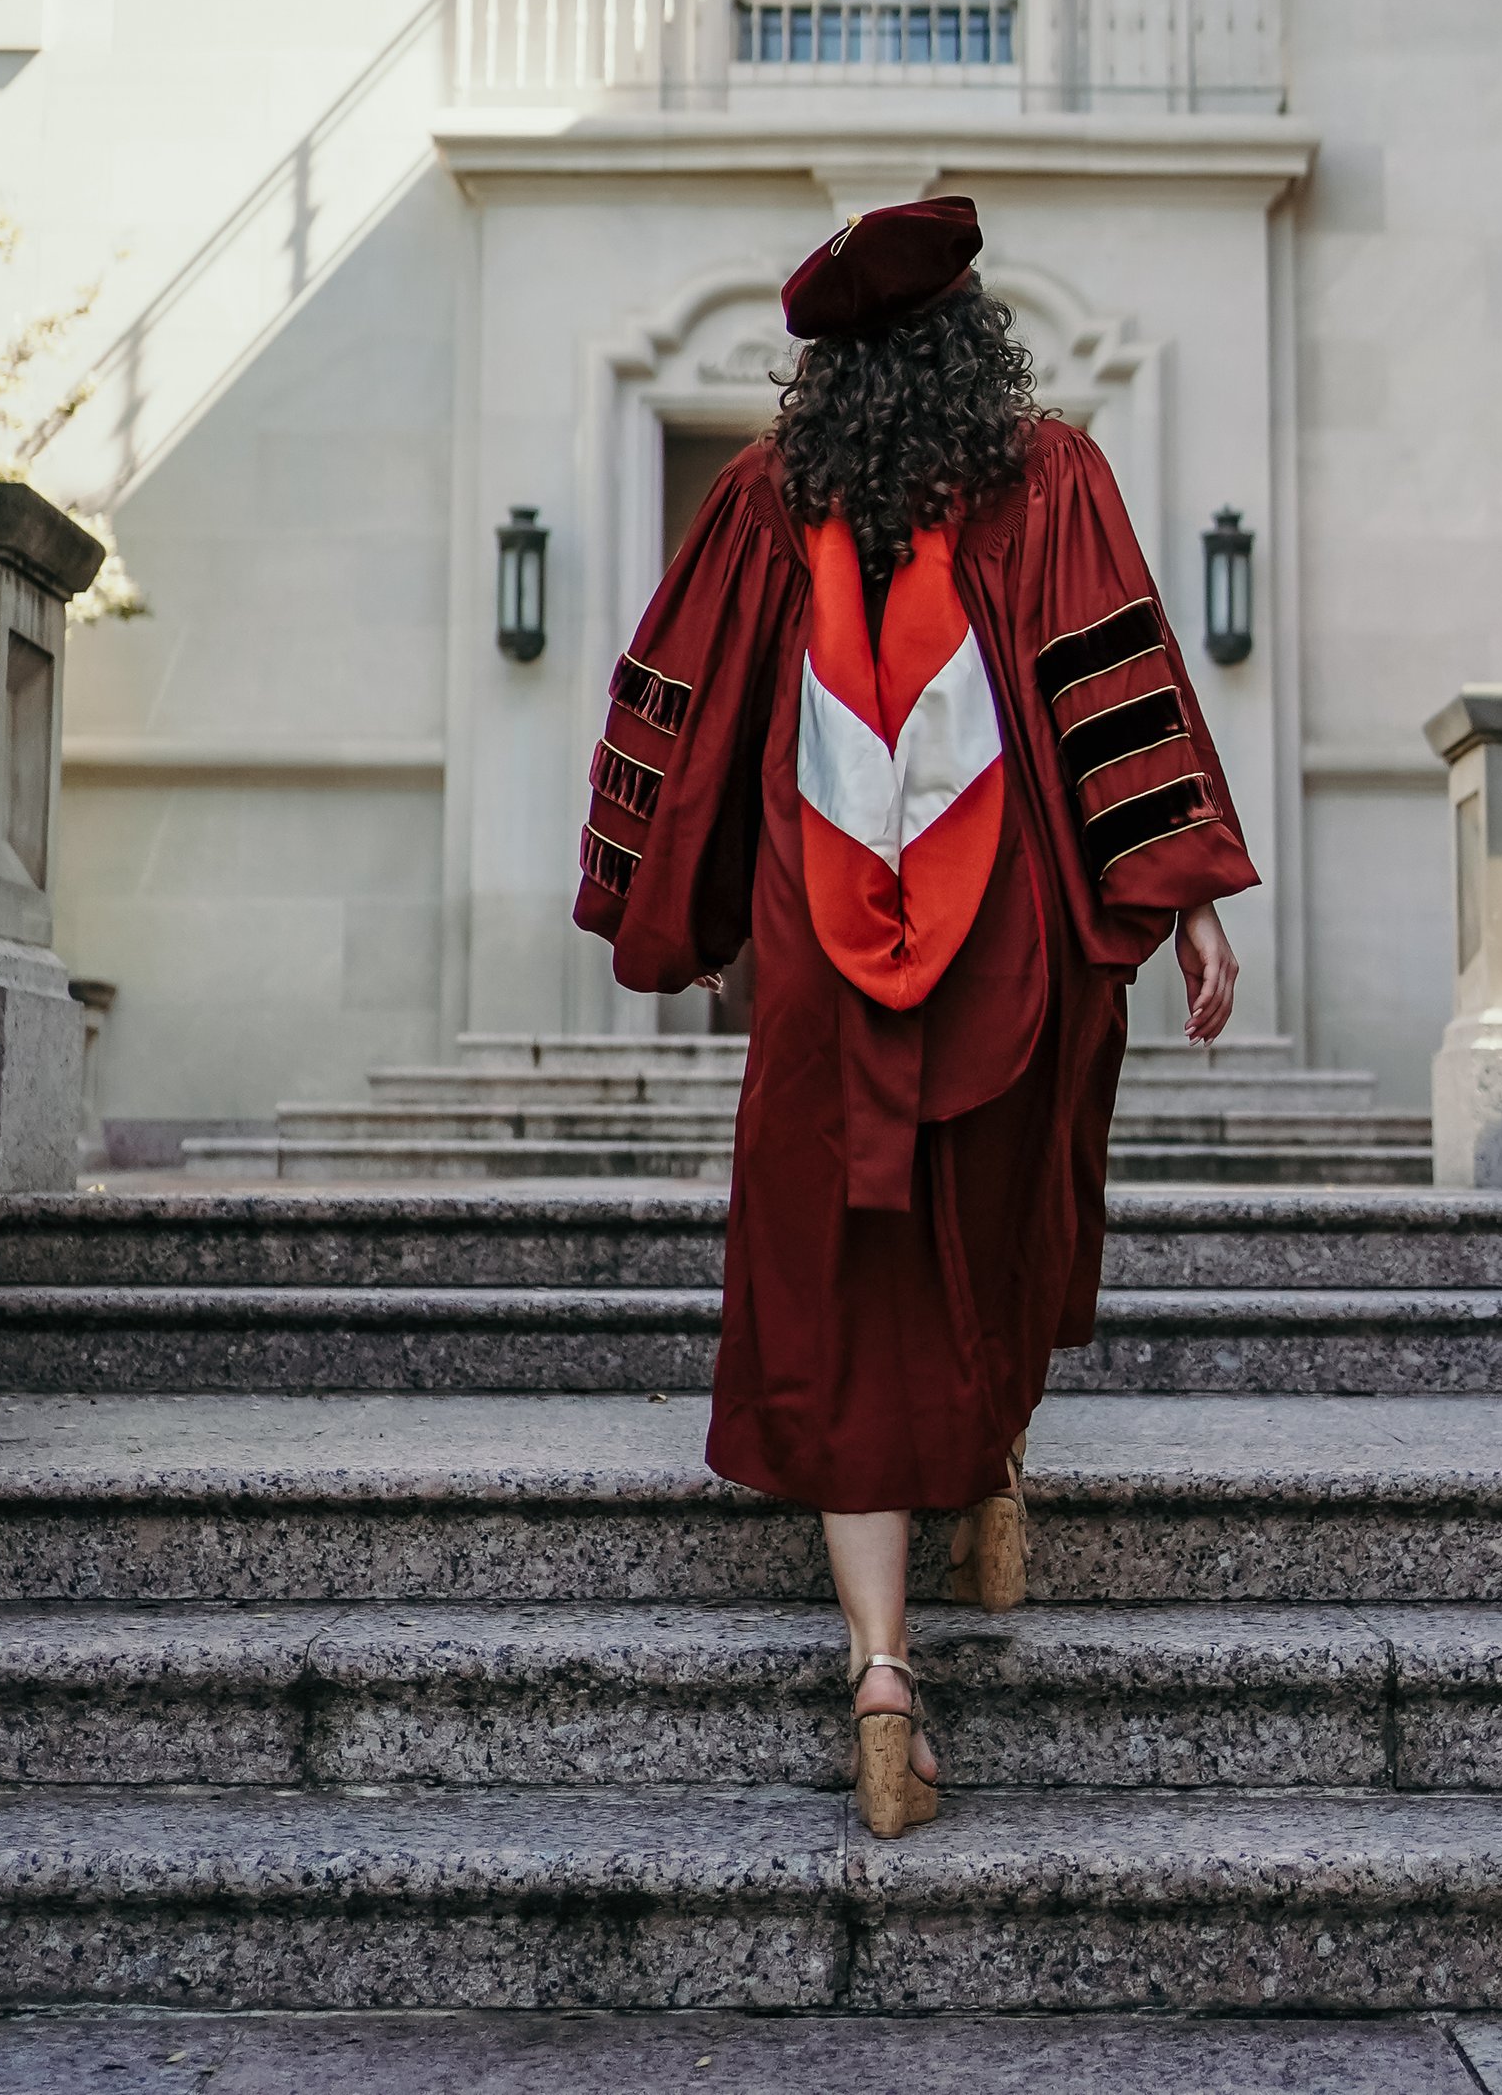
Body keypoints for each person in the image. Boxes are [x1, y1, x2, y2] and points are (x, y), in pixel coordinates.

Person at [573, 194, 1257, 1835]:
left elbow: (682, 723)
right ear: (972, 345)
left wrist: (668, 899)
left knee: (843, 1287)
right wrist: (1188, 900)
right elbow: (1120, 694)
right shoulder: (1057, 480)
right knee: (1000, 1218)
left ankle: (883, 1678)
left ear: (823, 374)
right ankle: (998, 1468)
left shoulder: (757, 502)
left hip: (824, 987)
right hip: (1006, 964)